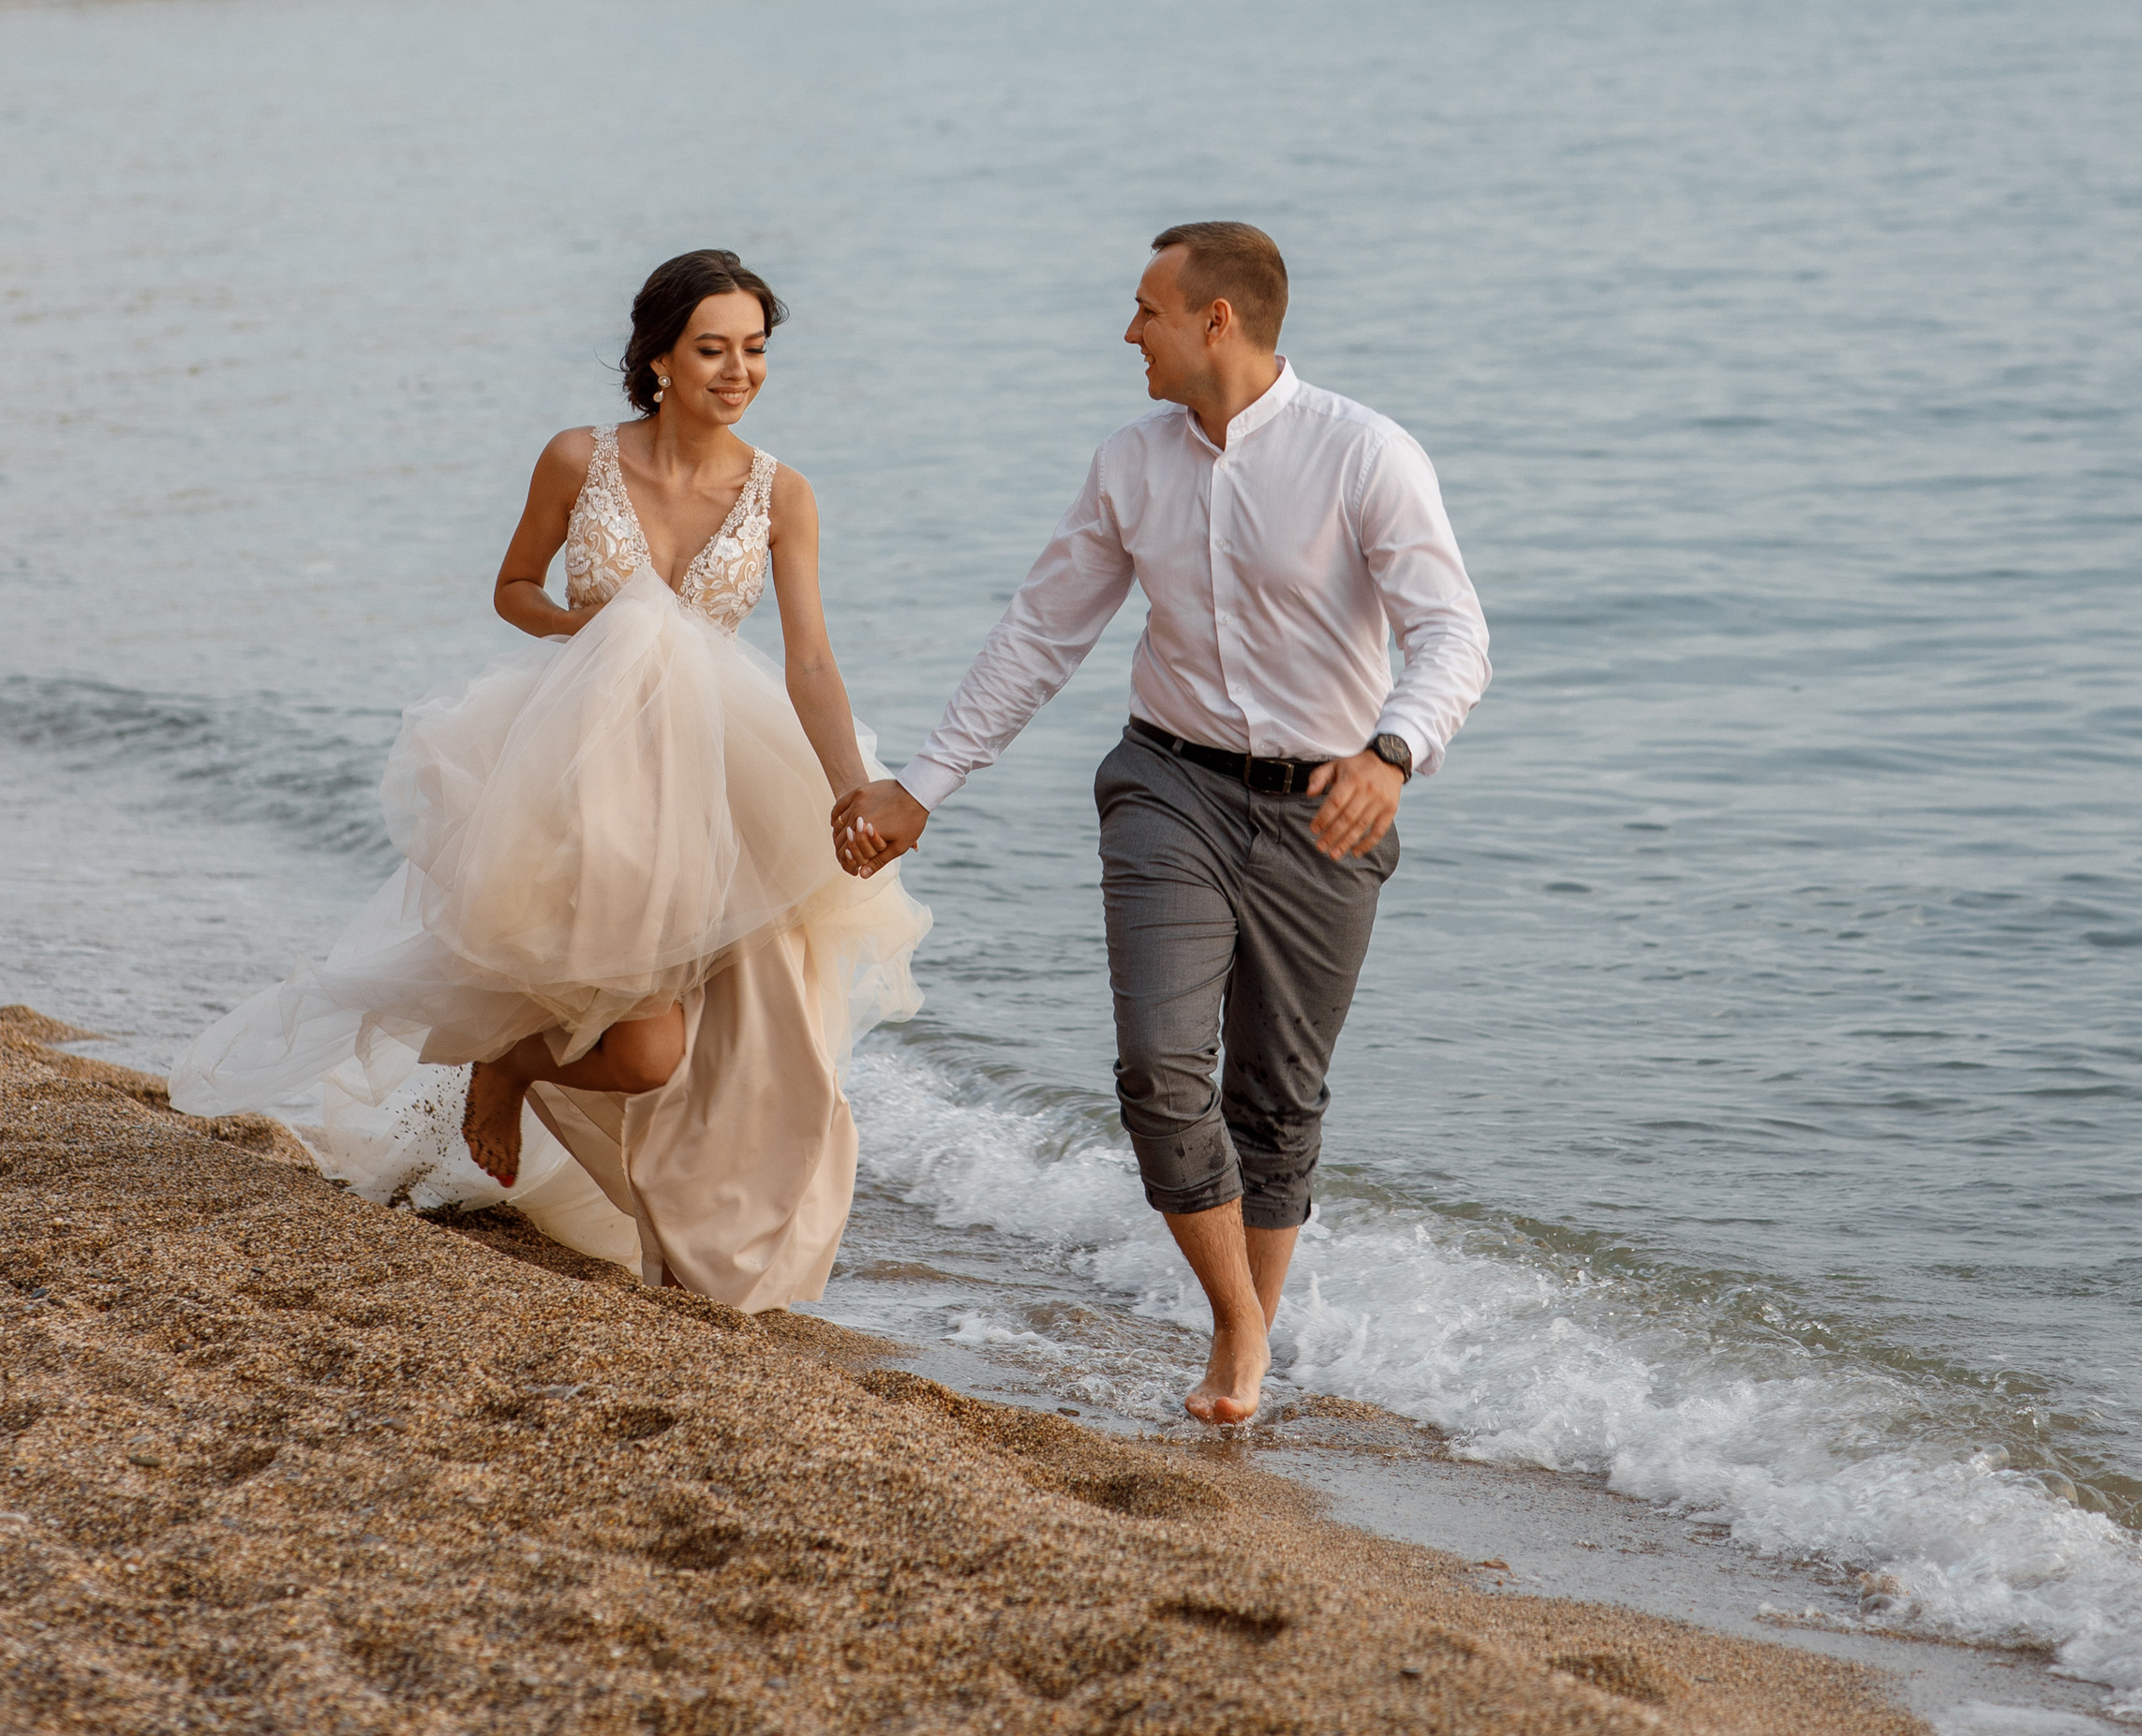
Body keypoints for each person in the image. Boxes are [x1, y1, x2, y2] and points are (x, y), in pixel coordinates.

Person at [172, 248, 927, 1312]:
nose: (737, 371)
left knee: (755, 1043)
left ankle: (707, 1230)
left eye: (754, 349)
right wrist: (594, 632)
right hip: (581, 770)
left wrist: (852, 786)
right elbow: (513, 588)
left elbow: (808, 658)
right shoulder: (581, 459)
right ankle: (511, 1065)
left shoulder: (781, 493)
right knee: (648, 1047)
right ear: (657, 357)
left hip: (722, 779)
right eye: (712, 349)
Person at [834, 220, 1489, 1422]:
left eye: (1144, 309)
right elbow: (1041, 634)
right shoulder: (1129, 460)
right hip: (1165, 786)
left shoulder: (1365, 454)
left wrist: (1393, 752)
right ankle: (1241, 1330)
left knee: (1278, 1098)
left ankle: (1245, 1337)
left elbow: (1452, 633)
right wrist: (921, 783)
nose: (1127, 331)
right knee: (1156, 1067)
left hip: (1325, 811)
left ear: (1215, 322)